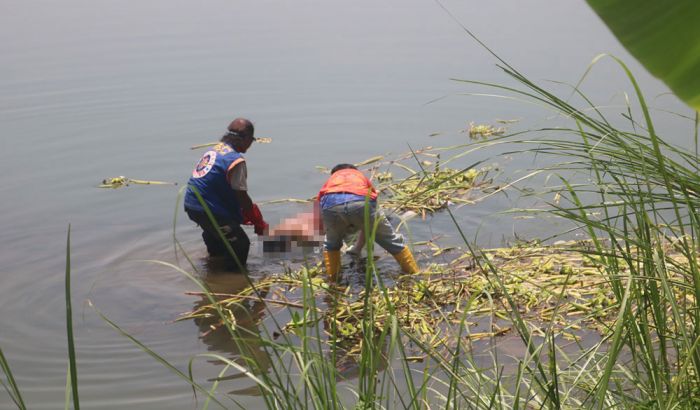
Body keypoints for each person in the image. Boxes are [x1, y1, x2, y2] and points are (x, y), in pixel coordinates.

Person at [184, 118, 268, 271]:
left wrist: (241, 216)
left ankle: (213, 270)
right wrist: (257, 220)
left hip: (192, 205)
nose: (251, 144)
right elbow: (242, 197)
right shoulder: (235, 161)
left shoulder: (215, 150)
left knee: (218, 238)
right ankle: (234, 281)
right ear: (245, 139)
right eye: (252, 139)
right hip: (209, 209)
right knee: (241, 244)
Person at [317, 163, 418, 279]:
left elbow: (321, 201)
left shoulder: (332, 180)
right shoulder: (359, 175)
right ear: (353, 170)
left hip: (331, 205)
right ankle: (414, 273)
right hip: (361, 202)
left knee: (331, 245)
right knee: (391, 241)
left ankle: (333, 280)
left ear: (334, 173)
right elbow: (370, 210)